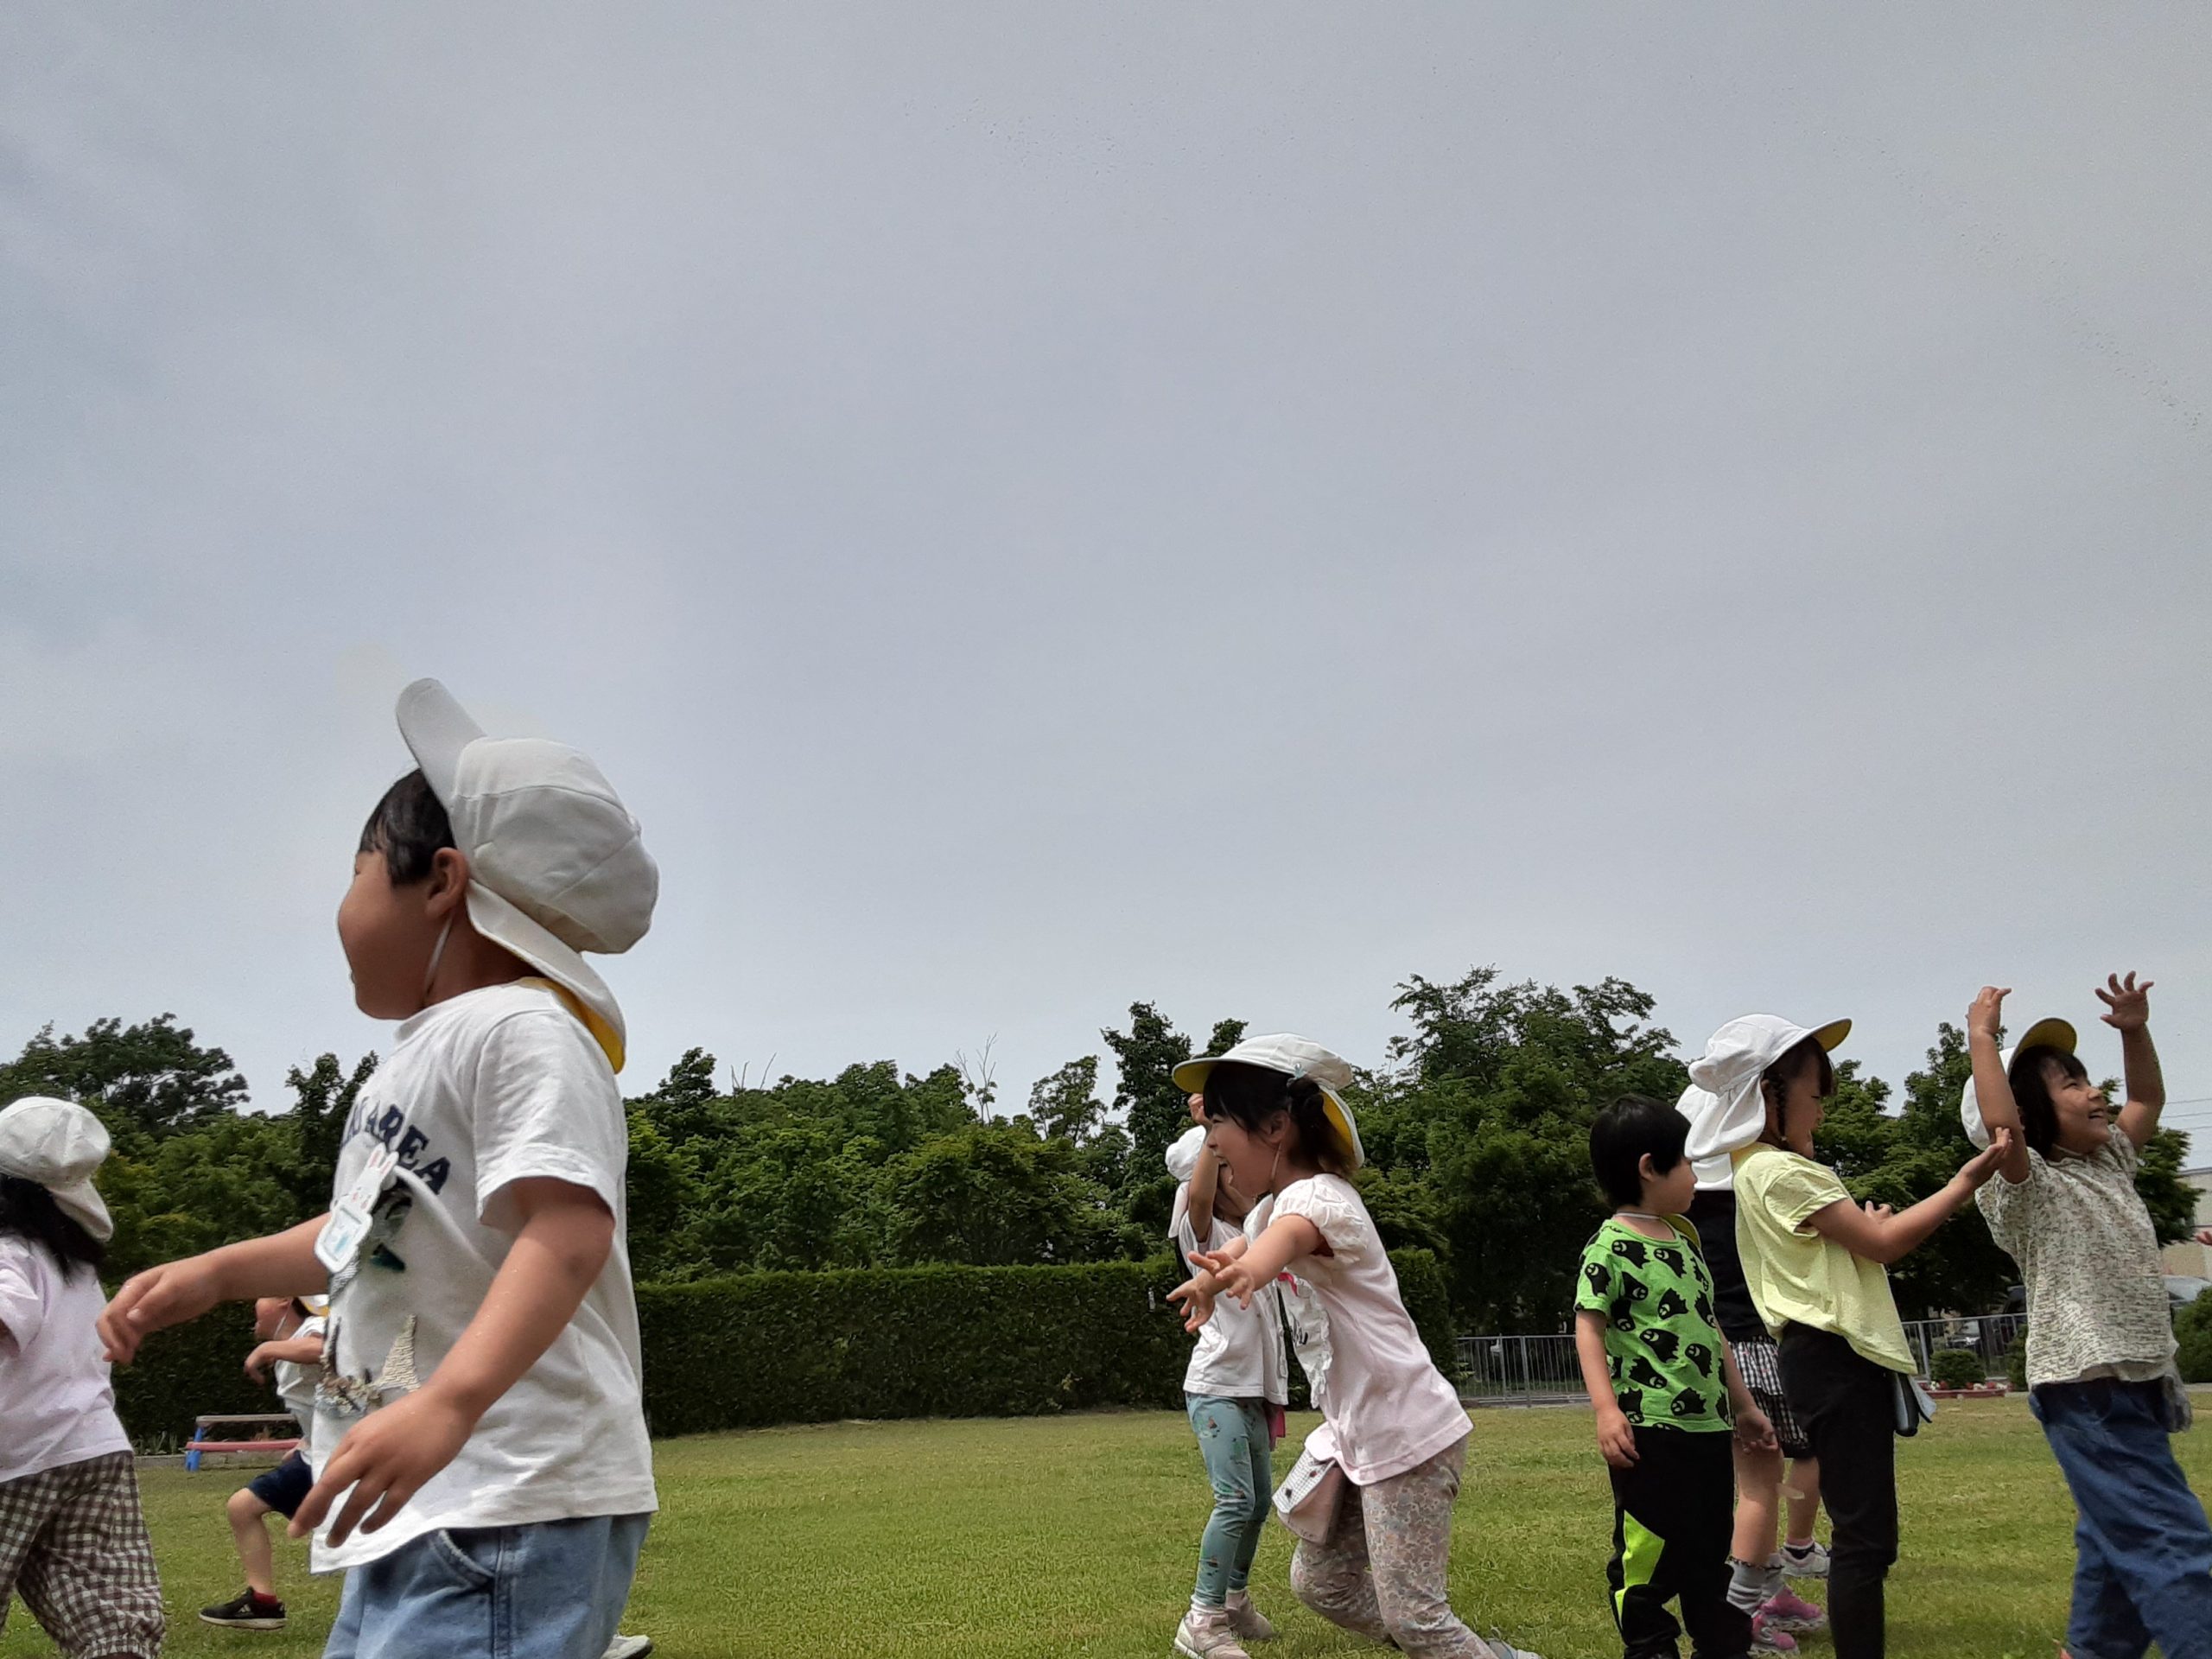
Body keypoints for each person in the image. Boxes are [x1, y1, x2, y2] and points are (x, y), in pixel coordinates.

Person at [100, 677, 660, 1659]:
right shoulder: (414, 1058)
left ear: (440, 880)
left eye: (356, 872)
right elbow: (362, 1237)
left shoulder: (521, 1029)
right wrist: (220, 1271)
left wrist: (447, 1403)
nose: (343, 906)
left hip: (505, 1493)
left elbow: (567, 1227)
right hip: (426, 1495)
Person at [1170, 1035, 1540, 1659]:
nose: (1217, 1149)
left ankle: (1461, 1648)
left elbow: (1281, 1242)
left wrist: (1247, 1272)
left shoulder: (1319, 1200)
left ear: (1276, 1128)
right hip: (1357, 1433)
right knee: (1322, 1584)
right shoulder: (1276, 1205)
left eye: (1221, 1137)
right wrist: (1214, 1273)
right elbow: (1246, 1242)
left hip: (1407, 1432)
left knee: (1416, 1617)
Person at [1714, 1014, 2009, 1659]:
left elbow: (1851, 1249)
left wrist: (1865, 1228)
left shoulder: (1757, 1168)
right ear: (1769, 1093)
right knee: (1864, 1541)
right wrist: (1964, 1181)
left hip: (1819, 1358)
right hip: (1835, 1358)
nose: (1821, 1111)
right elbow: (1882, 1242)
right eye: (1815, 1096)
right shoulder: (1786, 1172)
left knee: (1863, 1534)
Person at [1962, 976, 2212, 1659]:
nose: (2093, 1091)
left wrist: (2134, 1031)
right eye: (2069, 1084)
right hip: (2086, 1383)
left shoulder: (2109, 1161)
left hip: (2134, 1378)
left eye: (2087, 1077)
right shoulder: (2027, 1186)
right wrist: (1983, 1037)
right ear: (2028, 1113)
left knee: (2115, 1543)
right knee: (2169, 1541)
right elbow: (2002, 1129)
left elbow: (2147, 1098)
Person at [1573, 1095, 1785, 1659]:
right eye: (1688, 1162)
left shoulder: (1688, 1245)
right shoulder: (1610, 1246)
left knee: (1706, 1554)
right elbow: (1589, 1329)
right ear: (1649, 1167)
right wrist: (1606, 1410)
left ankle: (1720, 1645)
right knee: (1646, 1556)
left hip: (1708, 1434)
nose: (1695, 1175)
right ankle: (1650, 1645)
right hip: (1649, 1433)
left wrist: (1742, 1405)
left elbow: (1712, 1331)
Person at [1680, 1044, 1840, 1639]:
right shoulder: (1754, 1198)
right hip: (1754, 1353)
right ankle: (1743, 1610)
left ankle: (1770, 1586)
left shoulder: (1698, 1212)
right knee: (1758, 1485)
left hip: (1731, 1354)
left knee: (1760, 1481)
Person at [0, 1095, 166, 1659]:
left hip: (12, 1455)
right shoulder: (73, 1265)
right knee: (110, 1619)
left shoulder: (7, 1255)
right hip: (93, 1450)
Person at [1166, 1102, 1289, 1659]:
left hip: (1253, 1388)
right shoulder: (1204, 1229)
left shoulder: (1256, 1231)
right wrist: (1211, 1128)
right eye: (1225, 1169)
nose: (1238, 1178)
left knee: (1260, 1502)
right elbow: (1197, 1194)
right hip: (1216, 1385)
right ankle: (1202, 1618)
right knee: (1235, 1500)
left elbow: (1271, 1197)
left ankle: (1233, 1600)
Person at [201, 1294, 330, 1630]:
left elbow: (324, 1350)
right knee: (243, 1507)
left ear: (285, 1301)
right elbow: (326, 1400)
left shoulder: (313, 1328)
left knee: (366, 1535)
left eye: (264, 1295)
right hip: (317, 1455)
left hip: (338, 1460)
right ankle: (263, 1602)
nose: (252, 1307)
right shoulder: (292, 1343)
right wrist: (305, 1441)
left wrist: (266, 1350)